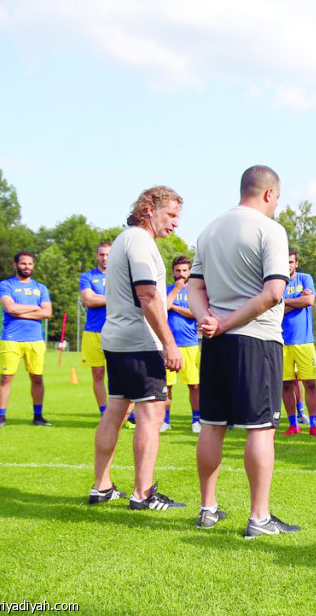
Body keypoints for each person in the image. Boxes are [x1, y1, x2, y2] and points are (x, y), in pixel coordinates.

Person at [187, 165, 299, 538]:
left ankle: (207, 509)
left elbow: (195, 288)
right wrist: (225, 322)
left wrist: (208, 320)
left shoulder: (209, 230)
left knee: (212, 424)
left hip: (215, 342)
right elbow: (274, 293)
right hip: (257, 340)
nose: (277, 204)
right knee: (260, 428)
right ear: (268, 193)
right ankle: (259, 518)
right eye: (277, 197)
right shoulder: (271, 230)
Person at [89, 186, 185, 510]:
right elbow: (147, 295)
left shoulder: (122, 239)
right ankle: (143, 494)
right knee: (151, 413)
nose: (175, 223)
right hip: (140, 341)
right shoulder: (142, 242)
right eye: (171, 214)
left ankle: (102, 487)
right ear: (149, 210)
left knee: (116, 409)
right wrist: (169, 343)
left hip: (116, 338)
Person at [0, 251, 53, 428]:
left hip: (36, 339)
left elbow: (47, 312)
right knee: (6, 377)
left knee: (37, 378)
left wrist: (21, 311)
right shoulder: (6, 285)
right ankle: (1, 417)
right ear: (15, 265)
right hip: (11, 338)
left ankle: (38, 416)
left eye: (30, 264)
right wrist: (35, 307)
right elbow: (10, 308)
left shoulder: (41, 288)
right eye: (23, 263)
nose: (27, 267)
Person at [281, 250, 316, 437]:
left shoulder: (305, 278)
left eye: (290, 261)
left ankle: (314, 425)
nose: (287, 265)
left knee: (310, 383)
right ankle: (293, 425)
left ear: (296, 263)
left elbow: (309, 300)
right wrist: (298, 300)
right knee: (286, 385)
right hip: (281, 341)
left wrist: (283, 302)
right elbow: (273, 309)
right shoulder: (276, 283)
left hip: (304, 341)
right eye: (284, 261)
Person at [164, 256, 202, 433]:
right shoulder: (166, 290)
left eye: (185, 270)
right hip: (169, 345)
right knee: (167, 386)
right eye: (178, 270)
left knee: (194, 385)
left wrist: (174, 307)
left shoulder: (195, 291)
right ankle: (165, 421)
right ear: (172, 271)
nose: (181, 274)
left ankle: (196, 421)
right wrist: (175, 291)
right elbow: (162, 308)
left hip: (190, 344)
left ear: (190, 272)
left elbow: (195, 313)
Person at [80, 242, 112, 414]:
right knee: (98, 374)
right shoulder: (87, 276)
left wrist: (98, 297)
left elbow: (129, 298)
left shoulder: (122, 274)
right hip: (93, 330)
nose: (105, 258)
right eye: (101, 254)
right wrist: (115, 297)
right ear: (97, 256)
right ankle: (103, 412)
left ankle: (124, 413)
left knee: (119, 373)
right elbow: (88, 300)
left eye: (108, 254)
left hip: (116, 330)